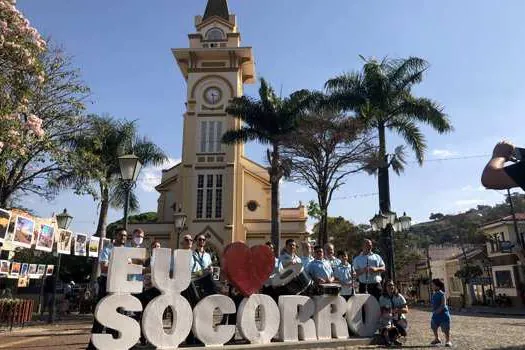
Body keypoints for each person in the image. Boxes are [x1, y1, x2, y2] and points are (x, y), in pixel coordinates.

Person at [86, 228, 127, 350]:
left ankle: (113, 343)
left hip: (120, 284)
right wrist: (119, 265)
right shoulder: (107, 249)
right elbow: (103, 267)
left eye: (125, 236)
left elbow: (129, 266)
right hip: (106, 283)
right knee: (101, 313)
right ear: (115, 235)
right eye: (121, 235)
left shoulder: (126, 251)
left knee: (117, 313)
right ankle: (93, 345)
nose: (123, 237)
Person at [378, 280, 409, 347]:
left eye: (392, 285)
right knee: (386, 327)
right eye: (389, 285)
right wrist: (388, 310)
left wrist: (397, 310)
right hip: (387, 319)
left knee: (401, 328)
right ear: (385, 287)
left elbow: (406, 310)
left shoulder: (399, 296)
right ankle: (388, 340)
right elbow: (381, 311)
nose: (391, 287)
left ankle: (395, 339)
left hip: (398, 318)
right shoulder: (382, 298)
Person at [430, 278, 452, 347]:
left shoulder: (442, 294)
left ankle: (448, 340)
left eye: (433, 285)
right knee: (433, 326)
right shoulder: (434, 294)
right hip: (436, 315)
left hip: (443, 315)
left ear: (438, 286)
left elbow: (443, 304)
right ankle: (437, 338)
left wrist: (438, 310)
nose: (432, 286)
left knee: (445, 328)